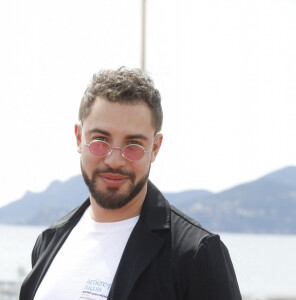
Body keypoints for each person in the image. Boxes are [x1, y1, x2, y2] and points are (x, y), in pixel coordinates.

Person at [20, 67, 242, 300]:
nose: (114, 160)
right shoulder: (49, 242)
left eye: (133, 144)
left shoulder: (196, 254)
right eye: (100, 141)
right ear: (79, 138)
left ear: (155, 148)